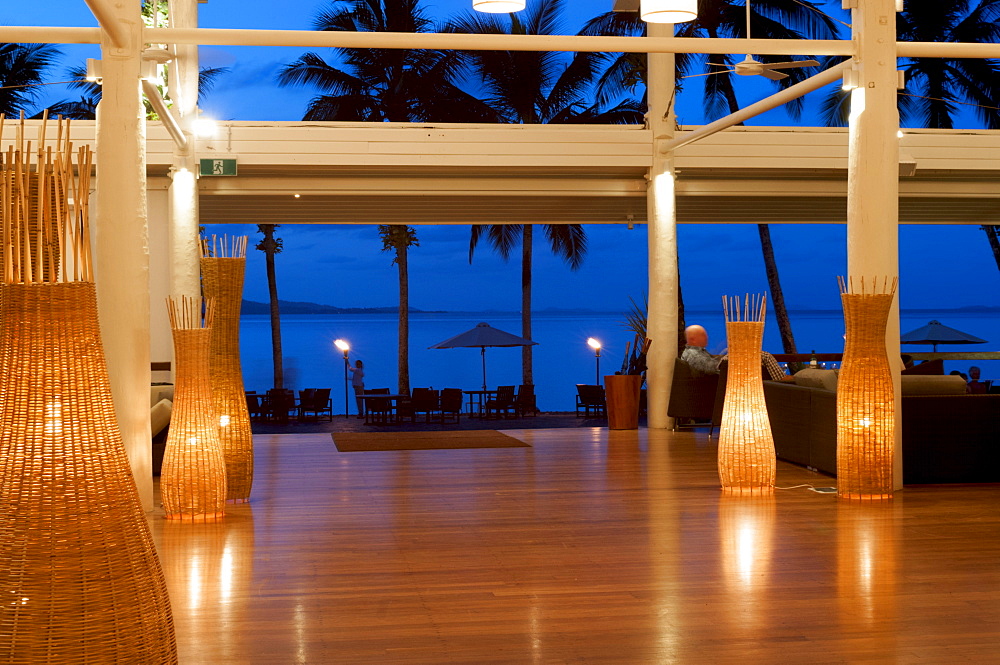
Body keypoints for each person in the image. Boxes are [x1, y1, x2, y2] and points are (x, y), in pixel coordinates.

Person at [682, 324, 786, 380]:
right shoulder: (693, 354)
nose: (707, 337)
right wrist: (731, 358)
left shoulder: (697, 353)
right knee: (764, 356)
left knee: (761, 359)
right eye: (703, 335)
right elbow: (713, 368)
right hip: (711, 392)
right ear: (693, 339)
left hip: (715, 387)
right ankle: (781, 380)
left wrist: (725, 354)